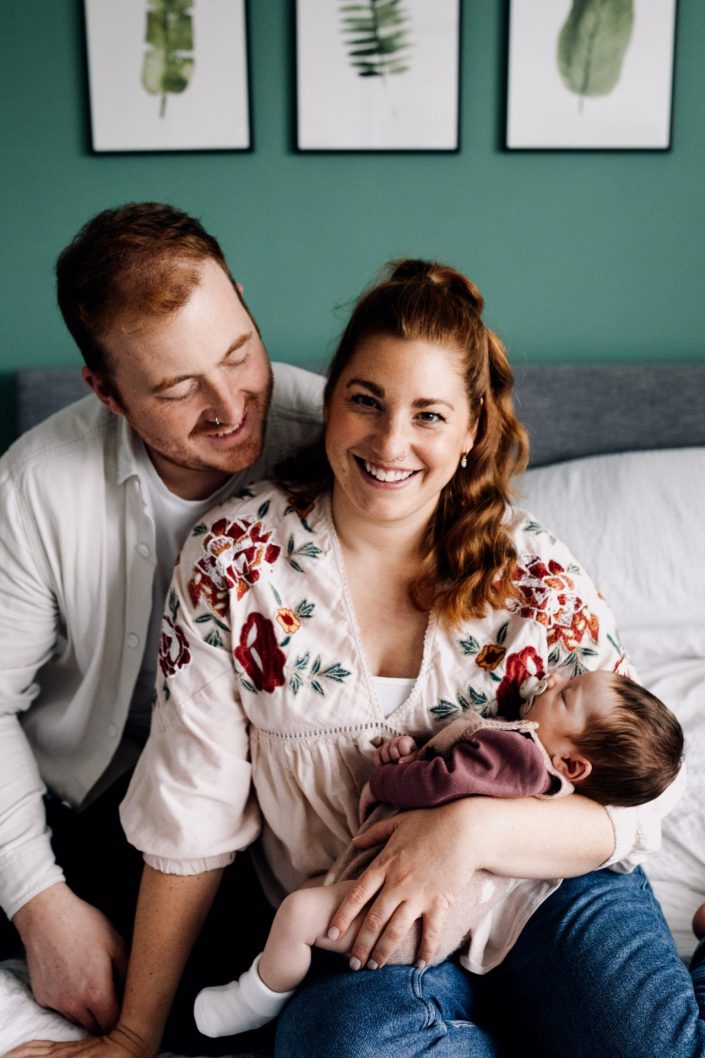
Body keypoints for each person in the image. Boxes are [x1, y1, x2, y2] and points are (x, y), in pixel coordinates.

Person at [17, 258, 704, 1058]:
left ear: (472, 428)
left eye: (428, 416)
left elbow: (639, 801)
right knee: (352, 1047)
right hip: (359, 916)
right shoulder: (236, 563)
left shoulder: (534, 573)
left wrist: (469, 833)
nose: (389, 443)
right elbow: (190, 810)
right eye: (366, 402)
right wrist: (136, 1034)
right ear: (328, 399)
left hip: (548, 890)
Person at [0, 202, 323, 1039]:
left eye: (238, 353)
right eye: (179, 389)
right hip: (83, 802)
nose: (228, 407)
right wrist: (39, 904)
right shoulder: (35, 484)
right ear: (105, 392)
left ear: (245, 305)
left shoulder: (341, 437)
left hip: (266, 827)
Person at [192, 668, 684, 1038]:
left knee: (300, 913)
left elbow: (441, 782)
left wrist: (387, 776)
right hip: (423, 899)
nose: (552, 679)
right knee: (309, 905)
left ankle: (255, 999)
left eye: (566, 694)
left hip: (415, 912)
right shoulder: (533, 764)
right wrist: (414, 752)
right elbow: (460, 765)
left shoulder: (520, 753)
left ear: (572, 763)